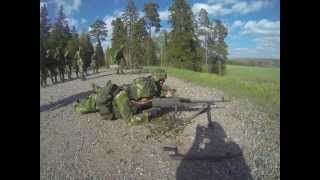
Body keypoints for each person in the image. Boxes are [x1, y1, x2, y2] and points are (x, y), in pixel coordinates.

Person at [74, 69, 176, 126]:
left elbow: (152, 94)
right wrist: (149, 114)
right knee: (85, 105)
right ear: (139, 95)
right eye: (146, 98)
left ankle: (98, 88)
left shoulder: (142, 88)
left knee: (102, 90)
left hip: (120, 93)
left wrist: (165, 95)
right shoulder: (123, 98)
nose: (148, 98)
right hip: (103, 103)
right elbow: (130, 121)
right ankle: (94, 94)